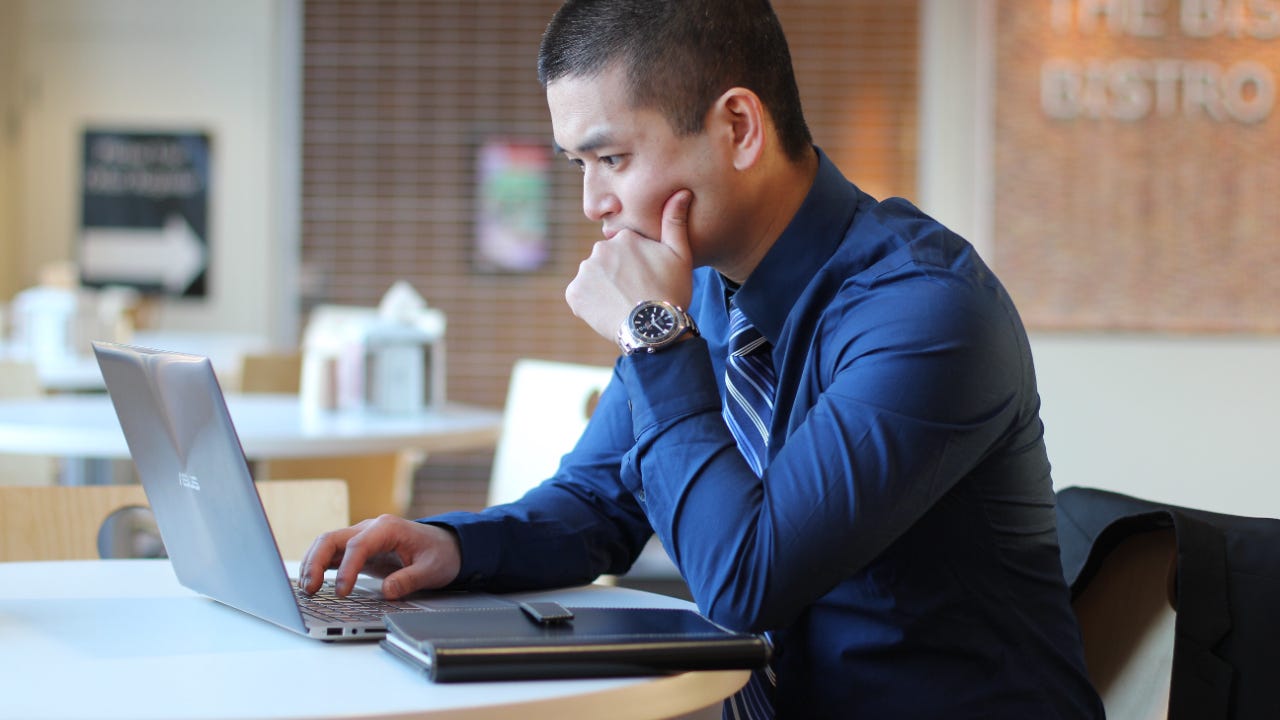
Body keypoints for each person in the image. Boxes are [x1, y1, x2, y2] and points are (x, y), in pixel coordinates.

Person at [299, 1, 1104, 717]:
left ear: (740, 128)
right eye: (579, 166)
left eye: (611, 160)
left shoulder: (926, 310)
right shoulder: (703, 293)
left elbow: (746, 578)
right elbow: (598, 505)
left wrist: (651, 333)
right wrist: (458, 547)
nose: (592, 205)